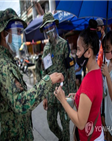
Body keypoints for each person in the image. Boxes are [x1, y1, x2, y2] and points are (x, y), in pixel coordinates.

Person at [0, 8, 64, 141]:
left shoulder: (8, 60)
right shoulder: (2, 65)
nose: (20, 37)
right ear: (4, 34)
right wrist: (47, 81)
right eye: (17, 32)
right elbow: (20, 103)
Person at [54, 28, 104, 141]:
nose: (76, 54)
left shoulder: (89, 80)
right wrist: (78, 95)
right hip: (96, 133)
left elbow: (81, 123)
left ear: (89, 52)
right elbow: (91, 98)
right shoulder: (97, 71)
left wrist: (62, 99)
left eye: (79, 50)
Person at [39, 12, 76, 141]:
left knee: (65, 125)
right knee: (52, 124)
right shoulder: (46, 49)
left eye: (50, 27)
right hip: (51, 94)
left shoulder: (64, 44)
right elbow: (44, 72)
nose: (49, 30)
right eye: (46, 28)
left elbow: (71, 70)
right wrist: (44, 96)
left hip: (63, 92)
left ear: (55, 26)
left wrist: (73, 93)